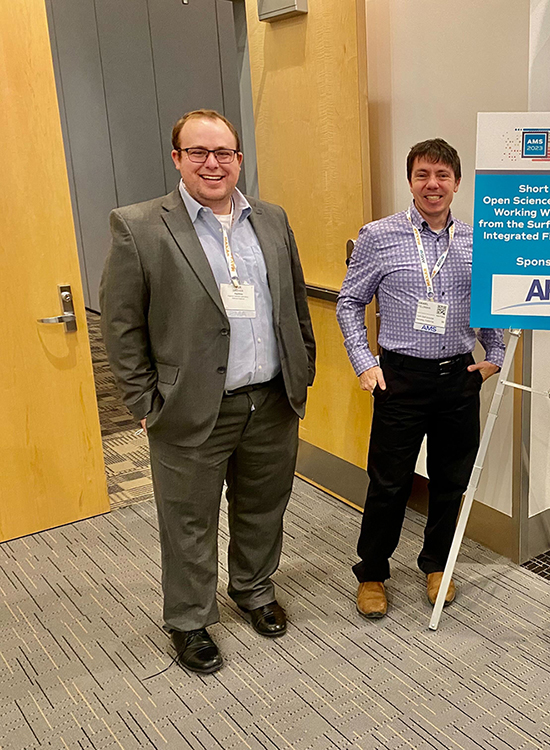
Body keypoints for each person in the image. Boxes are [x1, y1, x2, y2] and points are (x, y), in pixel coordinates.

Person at [100, 109, 316, 674]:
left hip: (270, 400)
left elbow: (292, 302)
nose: (213, 163)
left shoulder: (270, 219)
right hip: (190, 407)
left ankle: (253, 588)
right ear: (177, 159)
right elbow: (121, 326)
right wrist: (145, 403)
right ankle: (191, 620)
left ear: (239, 158)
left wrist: (303, 369)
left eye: (224, 152)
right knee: (188, 520)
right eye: (198, 152)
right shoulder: (140, 225)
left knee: (264, 506)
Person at [337, 138, 505, 620]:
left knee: (450, 481)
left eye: (442, 176)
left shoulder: (477, 241)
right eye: (422, 175)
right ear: (409, 180)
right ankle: (371, 572)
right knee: (388, 483)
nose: (433, 185)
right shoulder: (378, 236)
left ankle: (437, 563)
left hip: (458, 379)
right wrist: (364, 362)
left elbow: (487, 308)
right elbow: (350, 302)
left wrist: (493, 353)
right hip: (399, 379)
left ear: (457, 182)